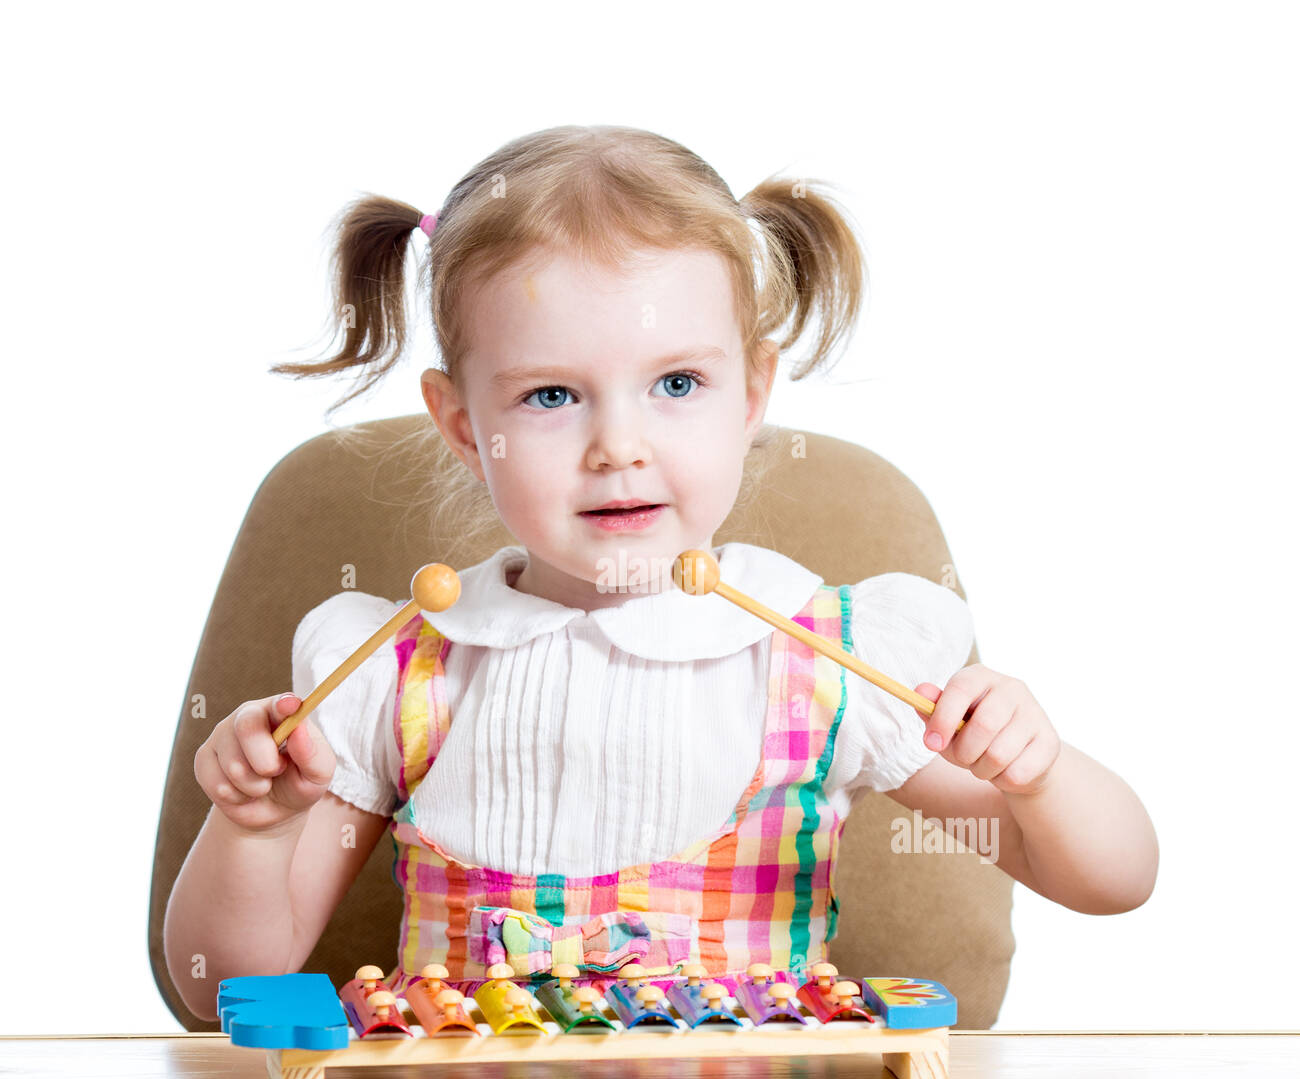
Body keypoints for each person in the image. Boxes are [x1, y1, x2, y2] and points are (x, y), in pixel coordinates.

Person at [165, 125, 1157, 1020]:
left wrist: (1042, 776)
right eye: (552, 395)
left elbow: (1113, 880)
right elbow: (221, 987)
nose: (618, 446)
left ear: (751, 392)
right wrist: (254, 831)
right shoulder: (400, 671)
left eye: (677, 384)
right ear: (467, 428)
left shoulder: (822, 657)